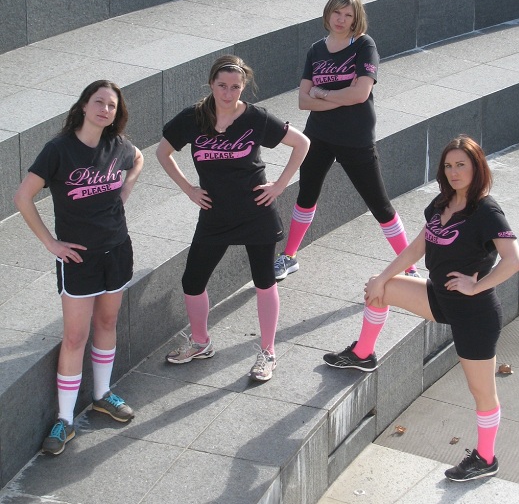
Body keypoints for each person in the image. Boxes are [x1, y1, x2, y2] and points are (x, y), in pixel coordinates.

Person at [323, 135, 519, 482]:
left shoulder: (486, 211)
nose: (454, 172)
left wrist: (476, 285)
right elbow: (418, 247)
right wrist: (383, 277)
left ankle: (486, 458)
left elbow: (514, 260)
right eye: (448, 165)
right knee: (379, 289)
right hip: (439, 298)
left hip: (474, 316)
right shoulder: (441, 203)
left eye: (461, 165)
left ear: (476, 167)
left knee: (482, 392)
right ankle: (363, 354)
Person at [156, 55, 309, 381]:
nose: (228, 93)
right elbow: (162, 152)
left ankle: (268, 352)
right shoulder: (194, 118)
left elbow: (302, 143)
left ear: (243, 87)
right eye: (222, 85)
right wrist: (189, 189)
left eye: (235, 87)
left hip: (256, 212)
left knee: (264, 281)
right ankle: (201, 342)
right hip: (214, 214)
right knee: (192, 281)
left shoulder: (256, 118)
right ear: (211, 84)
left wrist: (279, 185)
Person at [14, 80, 144, 455]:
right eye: (99, 102)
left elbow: (138, 158)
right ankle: (65, 419)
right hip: (78, 259)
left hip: (117, 250)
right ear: (84, 105)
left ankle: (102, 395)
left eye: (112, 105)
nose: (105, 109)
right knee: (74, 337)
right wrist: (51, 243)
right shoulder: (59, 149)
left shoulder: (118, 146)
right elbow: (22, 197)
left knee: (107, 322)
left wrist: (125, 190)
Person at [274, 0, 418, 281]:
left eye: (347, 15)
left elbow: (361, 94)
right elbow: (303, 101)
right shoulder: (316, 49)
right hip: (319, 135)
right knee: (306, 196)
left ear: (356, 18)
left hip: (356, 138)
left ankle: (410, 268)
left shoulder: (364, 45)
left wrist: (323, 93)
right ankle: (289, 256)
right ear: (328, 13)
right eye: (336, 13)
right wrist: (343, 95)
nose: (340, 19)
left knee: (380, 205)